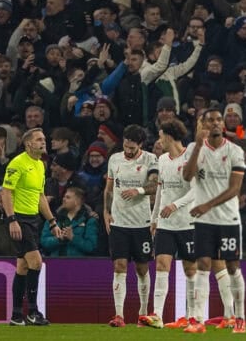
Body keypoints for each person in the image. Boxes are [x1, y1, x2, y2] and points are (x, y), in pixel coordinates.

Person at [183, 108, 246, 333]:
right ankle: (198, 320)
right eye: (210, 120)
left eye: (219, 119)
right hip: (204, 221)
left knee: (232, 266)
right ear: (202, 124)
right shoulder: (194, 149)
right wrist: (198, 146)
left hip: (228, 218)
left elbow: (235, 189)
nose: (216, 123)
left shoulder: (234, 151)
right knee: (202, 265)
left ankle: (240, 317)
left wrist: (207, 205)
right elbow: (187, 176)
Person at [138, 119, 197, 329]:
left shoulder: (190, 157)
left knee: (191, 269)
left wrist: (175, 205)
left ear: (169, 136)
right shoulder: (162, 160)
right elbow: (161, 190)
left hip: (188, 223)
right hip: (166, 224)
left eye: (161, 136)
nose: (158, 140)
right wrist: (154, 219)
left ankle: (192, 317)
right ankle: (157, 315)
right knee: (162, 265)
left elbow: (196, 190)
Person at [1, 127, 62, 326]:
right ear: (28, 144)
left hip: (33, 219)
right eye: (39, 139)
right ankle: (33, 312)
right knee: (36, 262)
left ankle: (16, 315)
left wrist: (52, 221)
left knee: (23, 266)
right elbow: (6, 192)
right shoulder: (17, 163)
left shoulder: (40, 165)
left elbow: (40, 196)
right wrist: (12, 220)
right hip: (18, 218)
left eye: (44, 139)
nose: (43, 142)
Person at [103, 124, 159, 327]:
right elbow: (109, 189)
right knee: (119, 267)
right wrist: (106, 212)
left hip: (141, 223)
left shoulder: (150, 159)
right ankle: (119, 315)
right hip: (119, 222)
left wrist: (139, 190)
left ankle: (143, 313)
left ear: (140, 145)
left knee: (142, 269)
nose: (128, 151)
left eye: (132, 148)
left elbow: (154, 185)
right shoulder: (114, 159)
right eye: (126, 146)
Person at [40, 187, 98, 257]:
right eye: (64, 197)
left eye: (68, 197)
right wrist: (59, 239)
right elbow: (44, 242)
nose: (64, 199)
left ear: (77, 201)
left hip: (79, 264)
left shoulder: (89, 220)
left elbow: (91, 247)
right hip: (56, 263)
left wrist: (73, 238)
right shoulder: (53, 219)